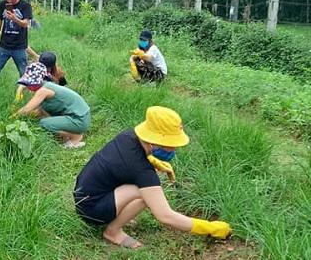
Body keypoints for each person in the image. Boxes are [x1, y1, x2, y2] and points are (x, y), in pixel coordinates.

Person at [73, 106, 231, 249]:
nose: (174, 148)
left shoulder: (129, 136)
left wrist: (154, 161)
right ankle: (112, 231)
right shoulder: (141, 171)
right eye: (171, 143)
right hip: (90, 208)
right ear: (155, 141)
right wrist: (210, 228)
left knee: (143, 190)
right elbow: (165, 216)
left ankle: (118, 213)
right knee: (144, 195)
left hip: (85, 193)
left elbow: (126, 162)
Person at [14, 62, 90, 149]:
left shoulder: (43, 91)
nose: (27, 86)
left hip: (80, 119)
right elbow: (39, 111)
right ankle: (66, 133)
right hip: (81, 116)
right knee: (42, 112)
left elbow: (26, 109)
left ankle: (75, 136)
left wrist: (13, 116)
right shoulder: (47, 85)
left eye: (28, 83)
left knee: (44, 123)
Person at [0, 0, 32, 77]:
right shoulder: (3, 4)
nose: (9, 1)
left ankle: (25, 90)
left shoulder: (25, 6)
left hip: (19, 46)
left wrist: (14, 18)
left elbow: (25, 23)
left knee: (24, 73)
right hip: (4, 45)